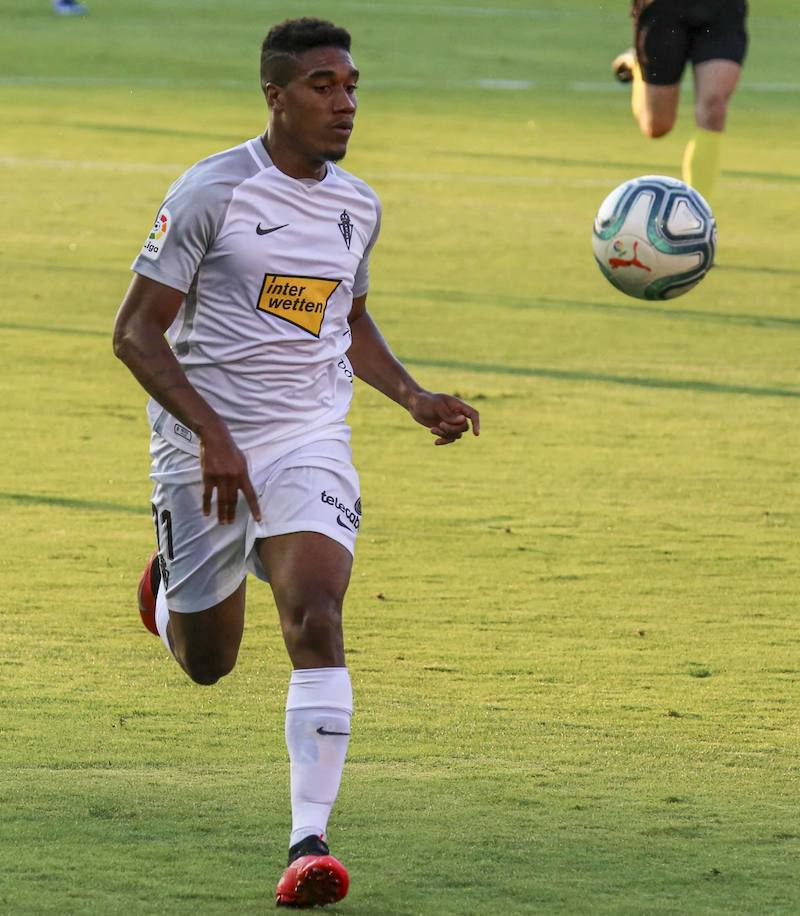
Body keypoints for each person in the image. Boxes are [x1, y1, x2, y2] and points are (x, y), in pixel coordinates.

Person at [112, 17, 480, 907]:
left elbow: (344, 320)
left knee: (316, 612)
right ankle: (169, 591)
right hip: (203, 448)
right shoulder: (212, 193)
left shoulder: (359, 205)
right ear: (274, 95)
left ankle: (308, 842)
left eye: (352, 86)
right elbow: (134, 332)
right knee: (209, 662)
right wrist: (212, 434)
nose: (345, 103)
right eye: (323, 85)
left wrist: (413, 395)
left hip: (309, 436)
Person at [612, 0, 748, 202]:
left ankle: (696, 212)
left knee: (714, 106)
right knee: (657, 126)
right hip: (663, 9)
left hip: (722, 9)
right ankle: (637, 65)